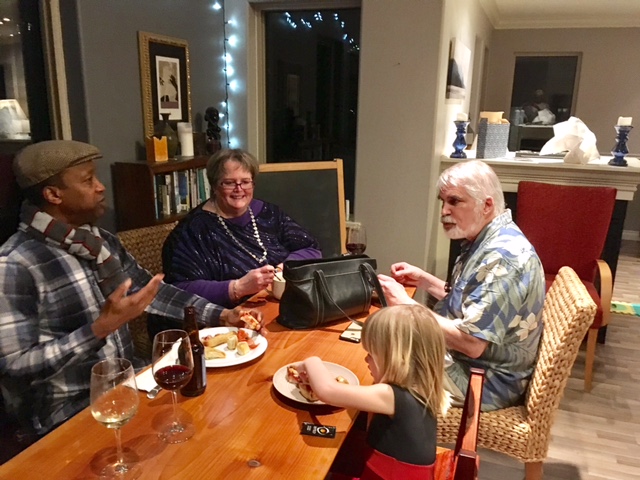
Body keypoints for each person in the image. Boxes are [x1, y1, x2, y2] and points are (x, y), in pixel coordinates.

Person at [0, 140, 263, 442]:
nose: (101, 187)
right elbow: (14, 367)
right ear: (53, 194)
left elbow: (154, 293)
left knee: (228, 415)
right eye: (88, 180)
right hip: (69, 413)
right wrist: (98, 329)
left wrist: (224, 315)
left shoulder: (98, 241)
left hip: (130, 384)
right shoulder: (15, 264)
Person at [378, 160, 545, 411]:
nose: (444, 211)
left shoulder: (503, 258)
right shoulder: (488, 238)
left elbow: (472, 343)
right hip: (469, 363)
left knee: (378, 360)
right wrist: (425, 280)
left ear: (486, 205)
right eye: (443, 201)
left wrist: (406, 305)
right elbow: (471, 299)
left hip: (481, 381)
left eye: (454, 201)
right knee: (380, 340)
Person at [292, 304, 448, 478]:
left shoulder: (391, 395)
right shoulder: (422, 386)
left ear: (397, 359)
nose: (366, 359)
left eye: (371, 354)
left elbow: (327, 391)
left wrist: (311, 361)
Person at [162, 148, 322, 308]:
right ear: (214, 186)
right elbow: (178, 292)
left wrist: (283, 269)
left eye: (245, 182)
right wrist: (237, 288)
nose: (239, 189)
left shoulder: (269, 213)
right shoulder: (192, 231)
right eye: (229, 183)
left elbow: (311, 249)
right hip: (230, 316)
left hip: (282, 304)